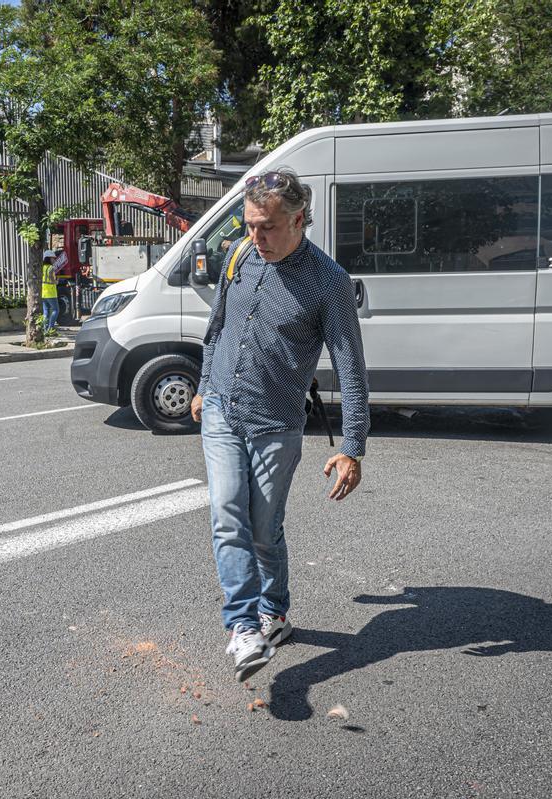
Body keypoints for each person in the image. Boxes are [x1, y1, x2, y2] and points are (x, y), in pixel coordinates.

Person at [190, 168, 370, 682]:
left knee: (265, 531)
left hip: (277, 423)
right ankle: (244, 626)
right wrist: (204, 384)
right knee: (228, 512)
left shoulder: (329, 283)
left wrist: (352, 447)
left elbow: (351, 368)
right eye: (249, 224)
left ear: (298, 220)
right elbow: (217, 327)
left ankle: (276, 612)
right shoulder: (240, 257)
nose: (256, 236)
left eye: (266, 226)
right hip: (223, 407)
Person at [40, 249, 61, 332]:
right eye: (53, 258)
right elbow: (52, 280)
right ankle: (50, 328)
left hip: (43, 292)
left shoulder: (42, 267)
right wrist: (57, 281)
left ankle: (44, 329)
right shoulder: (51, 268)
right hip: (51, 292)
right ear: (48, 258)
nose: (54, 260)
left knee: (46, 311)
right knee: (56, 310)